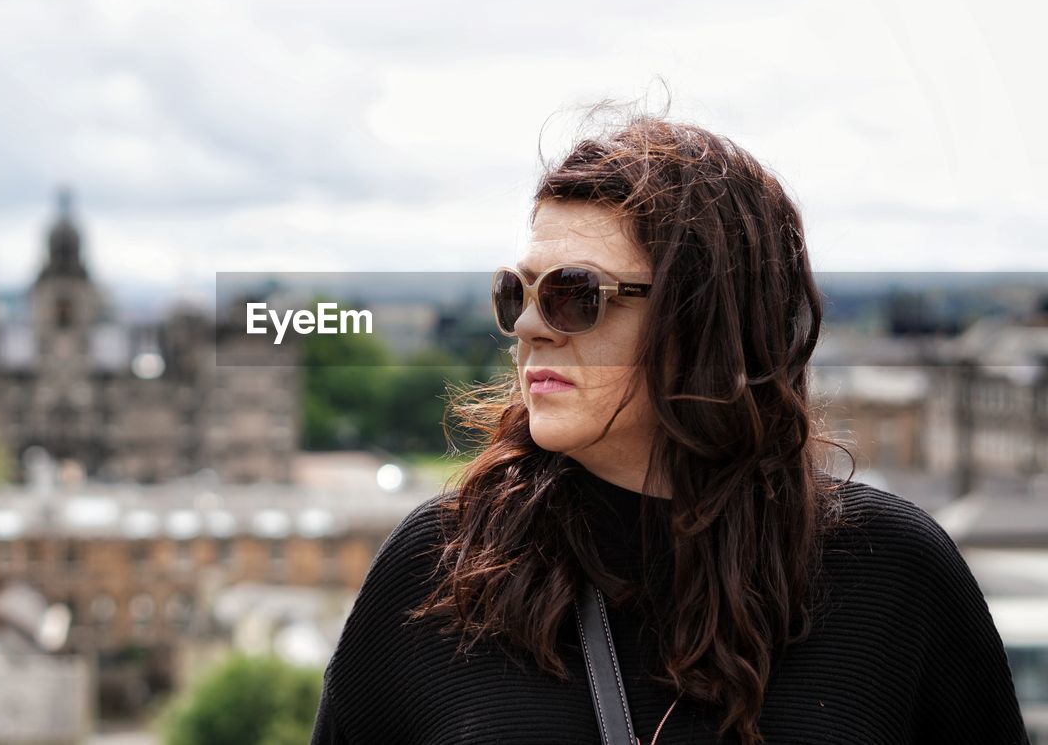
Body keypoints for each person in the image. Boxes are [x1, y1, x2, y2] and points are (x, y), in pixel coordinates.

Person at [309, 109, 1030, 744]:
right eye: (515, 292)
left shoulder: (890, 572)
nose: (529, 326)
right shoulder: (441, 571)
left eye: (574, 294)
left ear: (705, 317)